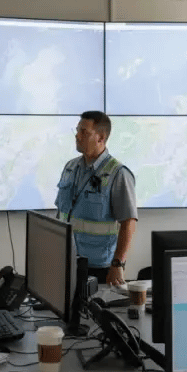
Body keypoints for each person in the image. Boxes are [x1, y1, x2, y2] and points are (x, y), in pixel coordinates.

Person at [55, 111, 137, 287]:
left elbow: (128, 222)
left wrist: (118, 264)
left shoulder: (118, 173)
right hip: (67, 261)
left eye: (84, 131)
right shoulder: (70, 167)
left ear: (101, 137)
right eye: (77, 130)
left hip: (100, 268)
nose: (77, 136)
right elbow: (60, 214)